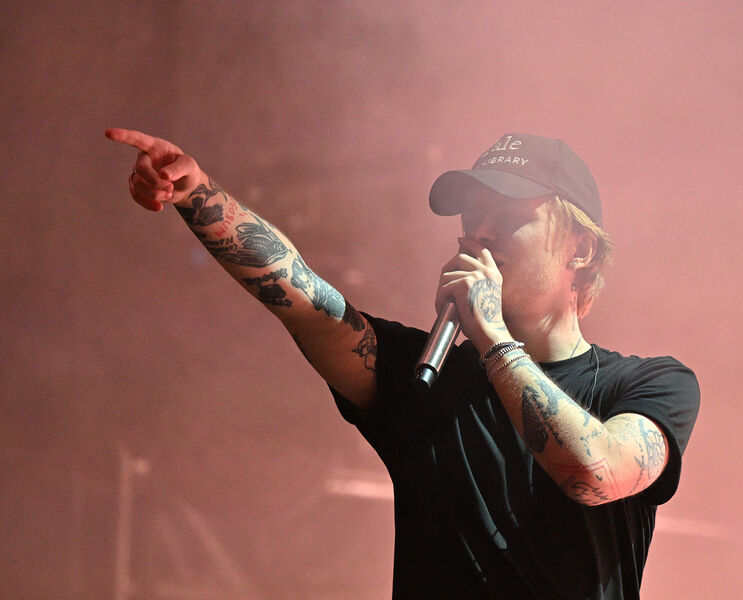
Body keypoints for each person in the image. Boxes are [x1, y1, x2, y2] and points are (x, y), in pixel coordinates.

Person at [106, 128, 700, 599]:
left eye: (506, 214)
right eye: (471, 215)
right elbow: (303, 297)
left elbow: (595, 473)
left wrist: (491, 336)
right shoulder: (423, 378)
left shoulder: (650, 384)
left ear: (582, 247)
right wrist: (196, 192)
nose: (478, 232)